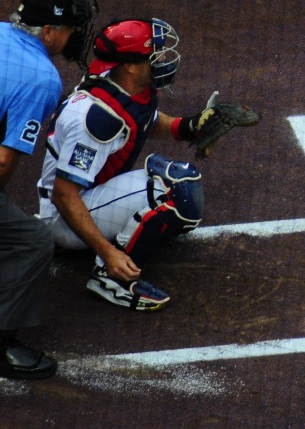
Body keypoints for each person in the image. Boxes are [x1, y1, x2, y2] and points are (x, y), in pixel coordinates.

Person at [37, 17, 211, 312]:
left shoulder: (122, 88)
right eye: (153, 55)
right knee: (176, 190)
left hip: (89, 195)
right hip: (64, 216)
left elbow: (145, 121)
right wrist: (107, 253)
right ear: (130, 64)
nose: (162, 59)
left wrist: (190, 127)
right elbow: (64, 194)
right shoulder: (97, 119)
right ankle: (109, 279)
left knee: (173, 196)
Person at [1, 0, 99, 379]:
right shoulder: (41, 78)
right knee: (30, 240)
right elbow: (5, 159)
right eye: (72, 28)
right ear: (48, 32)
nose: (75, 35)